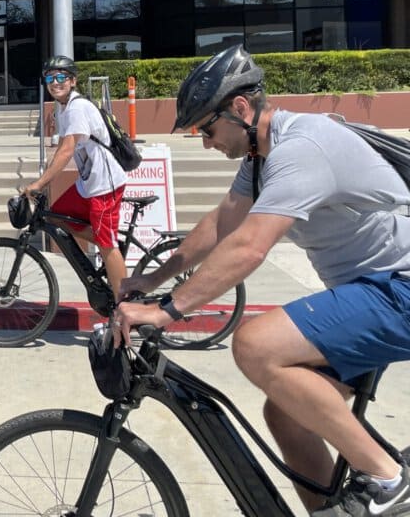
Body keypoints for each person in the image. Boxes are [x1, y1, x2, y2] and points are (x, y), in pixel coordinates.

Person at [116, 45, 410, 517]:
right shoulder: (261, 159)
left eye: (207, 129)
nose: (206, 143)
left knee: (255, 344)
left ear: (240, 108)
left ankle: (388, 479)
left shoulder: (301, 150)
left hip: (398, 289)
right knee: (287, 414)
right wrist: (153, 278)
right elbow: (221, 224)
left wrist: (166, 310)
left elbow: (250, 246)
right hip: (370, 291)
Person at [23, 55, 128, 296]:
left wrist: (39, 183)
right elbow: (62, 147)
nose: (55, 82)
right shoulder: (63, 109)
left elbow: (67, 150)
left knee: (106, 245)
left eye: (61, 77)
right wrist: (44, 179)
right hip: (88, 182)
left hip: (105, 183)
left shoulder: (78, 107)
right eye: (50, 78)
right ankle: (109, 240)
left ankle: (124, 305)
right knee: (58, 216)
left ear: (73, 81)